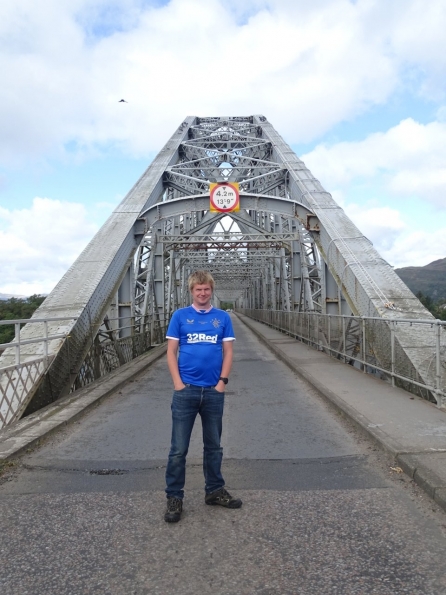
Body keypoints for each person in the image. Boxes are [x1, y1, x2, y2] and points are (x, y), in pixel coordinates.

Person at [164, 270, 242, 522]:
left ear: (211, 291)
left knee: (214, 447)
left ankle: (214, 491)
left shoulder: (222, 318)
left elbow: (228, 352)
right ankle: (174, 497)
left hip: (213, 391)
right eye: (198, 289)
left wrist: (222, 383)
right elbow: (171, 351)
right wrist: (178, 384)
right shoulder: (180, 316)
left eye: (206, 289)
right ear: (192, 291)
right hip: (185, 391)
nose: (202, 293)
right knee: (178, 449)